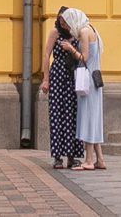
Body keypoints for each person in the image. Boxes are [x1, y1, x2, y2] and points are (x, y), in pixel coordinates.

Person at [62, 5, 106, 170]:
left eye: (67, 23)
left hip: (87, 81)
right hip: (94, 79)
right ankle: (100, 159)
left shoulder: (83, 32)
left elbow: (84, 57)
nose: (67, 27)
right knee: (93, 118)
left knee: (88, 118)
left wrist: (70, 48)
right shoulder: (91, 29)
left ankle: (88, 161)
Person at [43, 9, 82, 169]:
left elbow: (82, 55)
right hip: (58, 75)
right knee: (57, 114)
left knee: (72, 114)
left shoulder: (77, 32)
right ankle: (57, 157)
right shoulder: (55, 32)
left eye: (65, 20)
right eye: (60, 20)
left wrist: (71, 48)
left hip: (73, 76)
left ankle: (72, 157)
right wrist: (46, 79)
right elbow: (46, 55)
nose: (62, 23)